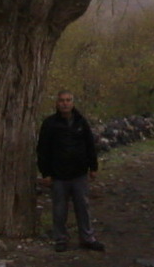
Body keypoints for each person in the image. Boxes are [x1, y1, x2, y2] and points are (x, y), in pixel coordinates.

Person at [37, 90, 105, 253]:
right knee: (59, 208)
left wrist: (93, 167)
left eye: (68, 100)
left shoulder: (81, 122)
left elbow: (90, 145)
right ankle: (60, 239)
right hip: (59, 174)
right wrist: (45, 173)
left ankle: (87, 238)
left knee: (83, 206)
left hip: (79, 172)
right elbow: (43, 150)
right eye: (62, 100)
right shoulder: (50, 124)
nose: (65, 103)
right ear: (57, 103)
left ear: (73, 103)